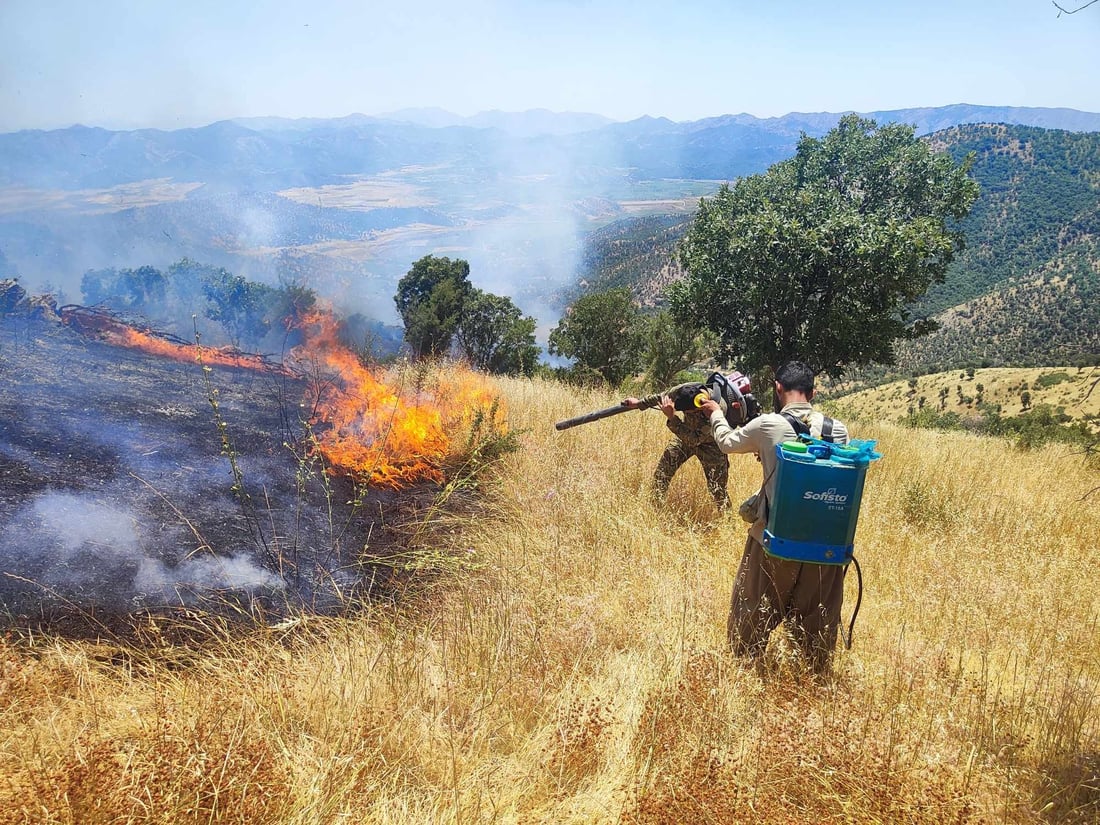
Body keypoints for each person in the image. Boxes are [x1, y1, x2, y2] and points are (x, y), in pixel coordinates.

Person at [698, 361, 850, 673]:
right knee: (816, 620)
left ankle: (743, 672)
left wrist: (714, 412)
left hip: (774, 540)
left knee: (752, 610)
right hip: (825, 547)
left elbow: (726, 443)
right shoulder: (839, 430)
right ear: (813, 392)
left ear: (778, 389)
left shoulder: (768, 425)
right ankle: (812, 677)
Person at [621, 383, 732, 512]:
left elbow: (694, 440)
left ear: (697, 407)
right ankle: (654, 509)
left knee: (717, 489)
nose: (685, 413)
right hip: (685, 434)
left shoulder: (717, 410)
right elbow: (662, 398)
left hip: (711, 445)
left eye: (686, 411)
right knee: (662, 472)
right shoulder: (683, 390)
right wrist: (639, 403)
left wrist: (672, 417)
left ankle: (727, 520)